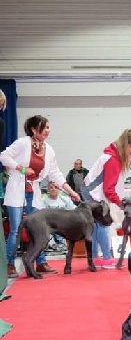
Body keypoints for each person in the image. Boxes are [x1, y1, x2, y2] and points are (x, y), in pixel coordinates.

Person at [0, 115, 80, 278]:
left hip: (33, 193)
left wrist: (71, 192)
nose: (47, 131)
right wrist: (21, 169)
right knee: (16, 229)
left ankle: (41, 262)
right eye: (44, 128)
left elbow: (55, 174)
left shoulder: (49, 150)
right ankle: (9, 264)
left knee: (39, 228)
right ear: (33, 129)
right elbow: (3, 156)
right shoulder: (23, 143)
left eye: (48, 128)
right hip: (17, 190)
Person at [81, 128, 131, 268]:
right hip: (93, 193)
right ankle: (106, 258)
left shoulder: (111, 155)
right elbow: (108, 189)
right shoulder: (112, 160)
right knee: (103, 223)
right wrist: (121, 203)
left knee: (95, 226)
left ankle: (95, 258)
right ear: (125, 145)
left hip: (89, 191)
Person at [42, 181, 76, 252]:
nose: (53, 189)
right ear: (48, 190)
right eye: (51, 188)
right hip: (50, 225)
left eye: (56, 187)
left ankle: (62, 245)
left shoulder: (66, 199)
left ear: (59, 189)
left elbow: (74, 210)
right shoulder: (43, 201)